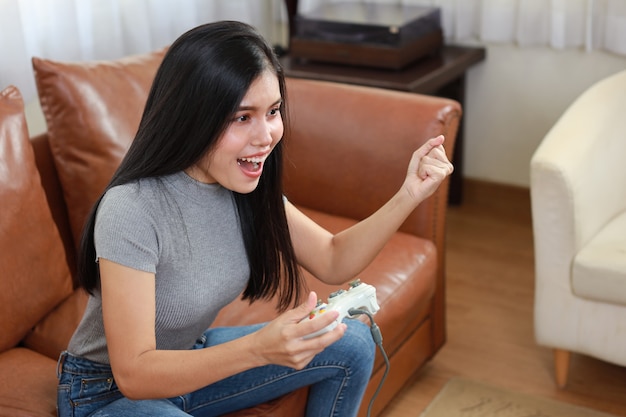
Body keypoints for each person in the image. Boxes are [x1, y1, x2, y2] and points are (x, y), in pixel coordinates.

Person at [56, 20, 454, 417]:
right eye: (242, 117)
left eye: (273, 111)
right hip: (105, 392)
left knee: (349, 340)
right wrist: (258, 348)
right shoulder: (132, 208)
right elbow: (135, 373)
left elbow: (334, 258)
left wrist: (409, 194)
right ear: (193, 117)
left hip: (188, 361)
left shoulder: (246, 188)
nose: (266, 136)